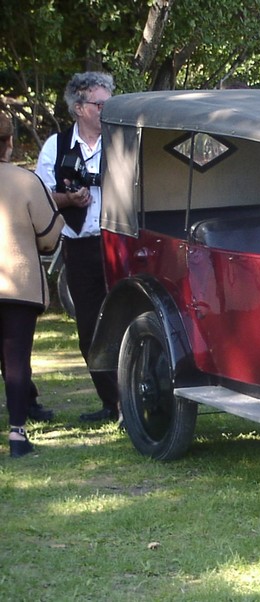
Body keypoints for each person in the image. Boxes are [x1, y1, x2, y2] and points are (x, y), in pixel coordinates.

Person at [34, 71, 121, 423]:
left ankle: (129, 400)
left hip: (119, 242)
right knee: (89, 326)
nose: (105, 110)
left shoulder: (121, 140)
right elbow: (40, 196)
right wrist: (68, 198)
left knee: (126, 318)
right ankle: (109, 401)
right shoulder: (56, 146)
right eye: (100, 104)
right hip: (81, 246)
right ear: (79, 108)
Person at [0, 112, 64, 456]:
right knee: (16, 360)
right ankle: (17, 435)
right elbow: (50, 235)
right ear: (9, 142)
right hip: (19, 285)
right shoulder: (25, 181)